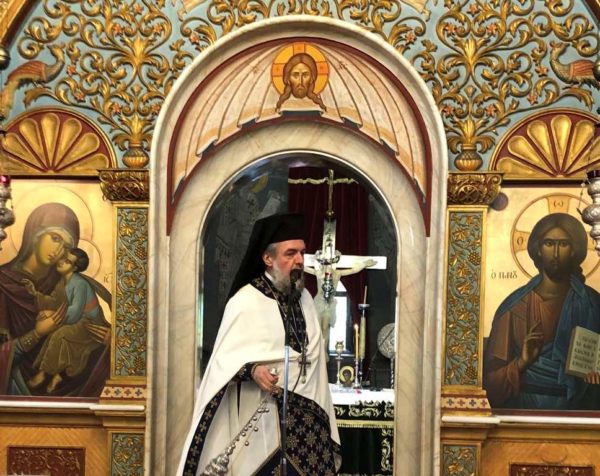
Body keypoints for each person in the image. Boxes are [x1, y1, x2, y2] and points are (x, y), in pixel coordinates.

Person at [179, 213, 341, 475]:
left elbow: (313, 361)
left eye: (302, 252)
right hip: (263, 420)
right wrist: (252, 370)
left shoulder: (306, 300)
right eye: (290, 253)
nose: (300, 260)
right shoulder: (245, 301)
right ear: (268, 258)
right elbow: (222, 363)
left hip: (310, 425)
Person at [483, 213, 600, 410]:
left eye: (563, 244)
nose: (556, 253)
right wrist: (522, 362)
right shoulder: (514, 308)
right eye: (549, 243)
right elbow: (490, 383)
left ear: (574, 250)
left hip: (581, 411)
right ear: (538, 249)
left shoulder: (593, 304)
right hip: (525, 412)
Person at [0, 203, 109, 397]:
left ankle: (52, 374)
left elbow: (91, 327)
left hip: (75, 398)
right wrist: (36, 334)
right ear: (35, 234)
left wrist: (112, 342)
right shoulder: (3, 284)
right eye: (55, 238)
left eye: (66, 247)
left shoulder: (67, 284)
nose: (58, 250)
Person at [24, 248, 111, 394]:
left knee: (59, 335)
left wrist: (53, 314)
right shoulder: (62, 282)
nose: (61, 262)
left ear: (75, 268)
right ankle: (57, 375)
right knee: (60, 338)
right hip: (77, 321)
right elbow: (54, 301)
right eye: (63, 258)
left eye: (67, 261)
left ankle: (44, 373)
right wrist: (35, 294)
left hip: (89, 323)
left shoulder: (79, 283)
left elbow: (75, 311)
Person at [305, 258, 376, 352]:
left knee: (325, 328)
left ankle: (323, 352)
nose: (328, 265)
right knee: (316, 329)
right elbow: (305, 269)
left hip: (329, 305)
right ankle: (315, 351)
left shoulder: (337, 274)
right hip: (318, 304)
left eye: (331, 263)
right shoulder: (319, 273)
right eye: (327, 263)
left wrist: (364, 265)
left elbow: (353, 270)